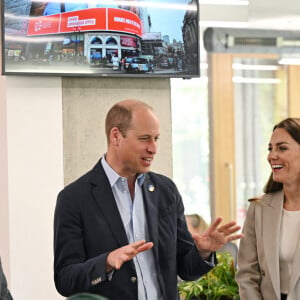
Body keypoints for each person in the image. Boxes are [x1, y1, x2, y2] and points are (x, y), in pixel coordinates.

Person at [54, 99, 242, 300]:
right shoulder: (74, 198)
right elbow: (65, 280)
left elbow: (186, 269)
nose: (153, 148)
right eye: (144, 139)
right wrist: (106, 262)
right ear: (116, 136)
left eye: (156, 138)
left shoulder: (166, 191)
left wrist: (202, 252)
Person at [236, 117, 300, 300]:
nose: (272, 156)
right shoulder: (259, 209)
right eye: (270, 148)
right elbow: (247, 275)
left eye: (282, 148)